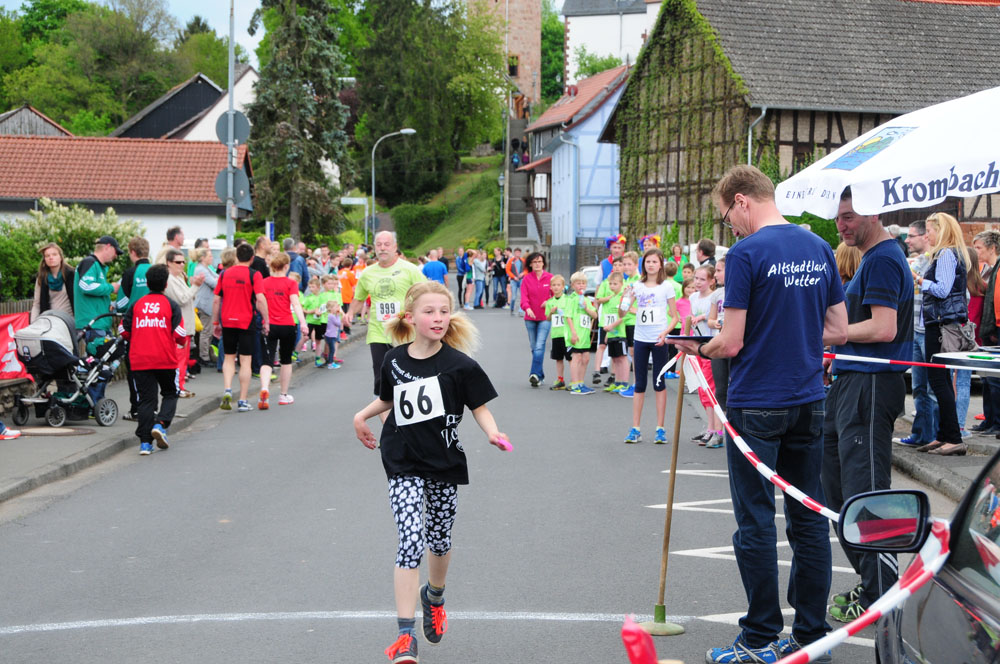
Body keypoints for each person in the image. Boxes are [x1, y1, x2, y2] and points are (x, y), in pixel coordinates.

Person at [670, 165, 846, 663]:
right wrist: (792, 332)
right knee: (808, 519)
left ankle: (760, 637)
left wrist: (697, 347)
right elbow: (838, 329)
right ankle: (811, 636)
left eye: (727, 216)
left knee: (755, 521)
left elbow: (731, 342)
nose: (730, 225)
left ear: (742, 200)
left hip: (758, 402)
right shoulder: (818, 247)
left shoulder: (747, 254)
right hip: (808, 398)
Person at [351, 281, 507, 664]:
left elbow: (480, 407)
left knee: (439, 539)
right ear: (410, 317)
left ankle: (434, 596)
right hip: (402, 459)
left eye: (443, 311)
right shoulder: (393, 359)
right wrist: (361, 416)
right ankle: (405, 636)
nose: (438, 318)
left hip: (443, 462)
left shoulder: (460, 366)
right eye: (429, 311)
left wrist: (493, 433)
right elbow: (388, 399)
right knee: (410, 538)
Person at [823, 187, 913, 624]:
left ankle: (882, 593)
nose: (842, 225)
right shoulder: (872, 258)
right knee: (837, 489)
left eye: (849, 217)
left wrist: (832, 336)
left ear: (873, 214)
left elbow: (883, 328)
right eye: (839, 218)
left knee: (866, 491)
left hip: (872, 385)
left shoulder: (882, 259)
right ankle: (872, 581)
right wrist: (835, 351)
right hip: (853, 381)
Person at [913, 212, 969, 457]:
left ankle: (953, 437)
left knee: (938, 381)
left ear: (941, 230)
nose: (927, 236)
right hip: (939, 322)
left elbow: (942, 289)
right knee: (940, 381)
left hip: (940, 324)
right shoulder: (949, 253)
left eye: (930, 231)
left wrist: (919, 280)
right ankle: (945, 435)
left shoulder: (946, 254)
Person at [348, 231, 426, 398]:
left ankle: (408, 408)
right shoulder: (368, 273)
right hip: (378, 332)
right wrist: (349, 313)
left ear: (395, 247)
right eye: (379, 245)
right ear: (374, 248)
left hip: (404, 331)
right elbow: (359, 299)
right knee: (381, 377)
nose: (382, 248)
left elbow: (426, 294)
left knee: (407, 375)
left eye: (386, 244)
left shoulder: (410, 270)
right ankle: (384, 414)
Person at [120, 264, 184, 456]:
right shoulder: (171, 305)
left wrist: (138, 336)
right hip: (165, 358)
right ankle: (161, 424)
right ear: (166, 284)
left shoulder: (136, 305)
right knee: (171, 393)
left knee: (146, 401)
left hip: (140, 359)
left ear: (147, 284)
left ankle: (145, 444)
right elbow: (180, 334)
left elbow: (123, 330)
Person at [620, 249, 678, 442]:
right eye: (648, 261)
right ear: (643, 264)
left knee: (659, 383)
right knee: (639, 383)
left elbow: (675, 317)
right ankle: (635, 428)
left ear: (661, 264)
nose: (651, 265)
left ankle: (660, 428)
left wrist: (665, 333)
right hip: (640, 339)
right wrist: (625, 298)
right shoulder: (637, 286)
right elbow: (622, 313)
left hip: (658, 339)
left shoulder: (666, 287)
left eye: (654, 261)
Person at [893, 220, 938, 448]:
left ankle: (938, 436)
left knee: (933, 388)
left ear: (925, 237)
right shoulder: (918, 262)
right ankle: (921, 435)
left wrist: (917, 278)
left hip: (931, 331)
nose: (907, 240)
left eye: (911, 236)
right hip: (915, 330)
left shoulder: (938, 262)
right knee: (919, 388)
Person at [212, 242, 269, 413]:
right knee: (245, 361)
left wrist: (215, 323)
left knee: (229, 357)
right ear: (252, 258)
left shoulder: (224, 274)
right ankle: (242, 400)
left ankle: (228, 389)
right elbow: (260, 299)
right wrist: (266, 320)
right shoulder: (254, 274)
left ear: (236, 257)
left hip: (227, 320)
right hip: (246, 321)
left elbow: (216, 300)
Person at [258, 252, 308, 409]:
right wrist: (303, 323)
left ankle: (265, 388)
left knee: (267, 361)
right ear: (286, 266)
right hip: (287, 324)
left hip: (269, 324)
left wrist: (265, 318)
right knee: (286, 361)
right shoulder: (291, 283)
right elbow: (296, 304)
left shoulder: (264, 283)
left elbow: (259, 303)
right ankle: (283, 395)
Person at [689, 265, 723, 447]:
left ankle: (716, 430)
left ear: (711, 281)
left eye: (702, 279)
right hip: (697, 346)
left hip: (710, 345)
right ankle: (709, 426)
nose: (697, 282)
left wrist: (702, 317)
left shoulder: (714, 296)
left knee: (711, 388)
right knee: (702, 389)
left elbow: (713, 318)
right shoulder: (693, 297)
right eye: (696, 278)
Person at [164, 248, 204, 398]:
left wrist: (193, 286)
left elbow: (188, 297)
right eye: (178, 262)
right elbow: (182, 299)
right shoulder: (169, 279)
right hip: (179, 326)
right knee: (179, 359)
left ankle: (180, 385)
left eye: (183, 262)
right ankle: (177, 387)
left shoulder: (179, 278)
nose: (181, 265)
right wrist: (195, 286)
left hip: (185, 324)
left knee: (183, 359)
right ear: (169, 263)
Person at [972, 230, 1000, 436]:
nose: (976, 251)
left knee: (995, 378)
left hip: (995, 327)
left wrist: (994, 326)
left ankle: (996, 422)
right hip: (991, 327)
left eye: (979, 247)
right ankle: (989, 419)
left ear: (992, 248)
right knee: (987, 377)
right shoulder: (989, 270)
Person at [74, 235, 122, 336]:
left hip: (99, 324)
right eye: (116, 252)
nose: (116, 256)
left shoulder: (98, 266)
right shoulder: (89, 262)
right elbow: (86, 286)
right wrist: (111, 287)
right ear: (108, 247)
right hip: (91, 324)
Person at [520, 251, 553, 387]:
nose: (537, 264)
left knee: (539, 346)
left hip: (545, 317)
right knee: (534, 348)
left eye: (539, 261)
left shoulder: (550, 278)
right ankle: (539, 375)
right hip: (530, 318)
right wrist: (527, 308)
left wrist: (549, 302)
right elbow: (524, 298)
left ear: (544, 263)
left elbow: (557, 296)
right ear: (530, 264)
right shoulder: (527, 279)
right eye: (534, 262)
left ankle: (533, 374)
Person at [564, 271, 599, 395]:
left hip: (585, 335)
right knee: (576, 357)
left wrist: (586, 308)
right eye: (578, 283)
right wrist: (573, 333)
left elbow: (595, 315)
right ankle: (574, 385)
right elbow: (568, 317)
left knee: (586, 358)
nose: (581, 286)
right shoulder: (571, 299)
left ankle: (581, 382)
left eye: (583, 283)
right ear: (573, 285)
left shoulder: (586, 300)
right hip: (575, 333)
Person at [592, 256, 624, 384]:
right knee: (601, 345)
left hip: (618, 322)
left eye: (620, 265)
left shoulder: (626, 284)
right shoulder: (606, 283)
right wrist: (608, 297)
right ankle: (596, 371)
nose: (617, 267)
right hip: (605, 320)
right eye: (615, 265)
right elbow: (599, 299)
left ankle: (613, 375)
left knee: (614, 348)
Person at [599, 272, 630, 393]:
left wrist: (612, 326)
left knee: (622, 358)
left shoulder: (623, 298)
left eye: (615, 284)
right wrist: (607, 333)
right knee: (615, 359)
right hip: (611, 333)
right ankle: (617, 382)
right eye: (610, 284)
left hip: (620, 333)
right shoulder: (610, 298)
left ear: (621, 284)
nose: (612, 286)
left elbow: (624, 316)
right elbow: (609, 317)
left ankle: (624, 382)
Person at [30, 242, 75, 322]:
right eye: (47, 256)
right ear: (44, 259)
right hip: (50, 321)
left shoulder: (72, 275)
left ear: (60, 257)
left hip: (70, 321)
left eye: (54, 254)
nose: (51, 257)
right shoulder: (41, 278)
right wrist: (33, 324)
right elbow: (37, 304)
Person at [192, 247, 219, 367]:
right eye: (209, 256)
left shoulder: (206, 268)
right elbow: (215, 283)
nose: (212, 258)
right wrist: (217, 279)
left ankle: (205, 355)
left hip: (206, 303)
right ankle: (204, 357)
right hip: (204, 304)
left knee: (207, 331)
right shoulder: (201, 270)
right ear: (203, 258)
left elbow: (217, 278)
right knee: (206, 331)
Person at [544, 275, 569, 390]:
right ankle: (560, 379)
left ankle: (574, 380)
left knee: (570, 358)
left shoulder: (568, 300)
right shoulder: (550, 302)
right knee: (558, 358)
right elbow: (548, 318)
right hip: (556, 334)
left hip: (566, 334)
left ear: (563, 287)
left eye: (558, 285)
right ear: (551, 287)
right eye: (554, 285)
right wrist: (551, 312)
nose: (556, 287)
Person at [505, 247, 524, 314]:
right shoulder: (511, 261)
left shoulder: (523, 261)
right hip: (514, 280)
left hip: (521, 279)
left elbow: (527, 269)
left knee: (522, 295)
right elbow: (507, 270)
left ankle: (521, 310)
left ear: (520, 253)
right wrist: (513, 276)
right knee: (514, 296)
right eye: (516, 252)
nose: (517, 254)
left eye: (518, 252)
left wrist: (523, 273)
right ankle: (512, 308)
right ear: (514, 253)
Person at [324, 300, 342, 369]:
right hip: (330, 336)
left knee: (331, 350)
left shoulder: (330, 316)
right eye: (336, 307)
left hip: (330, 335)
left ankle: (330, 362)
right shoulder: (331, 316)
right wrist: (338, 316)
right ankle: (330, 364)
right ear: (331, 308)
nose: (337, 309)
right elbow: (338, 324)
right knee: (332, 350)